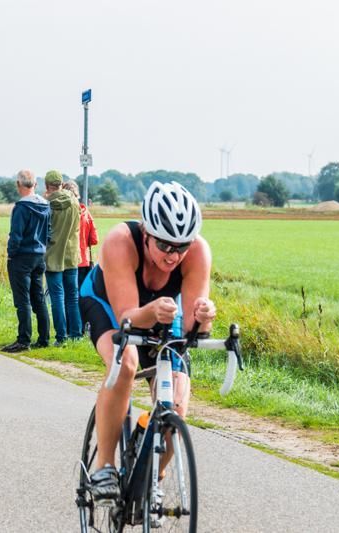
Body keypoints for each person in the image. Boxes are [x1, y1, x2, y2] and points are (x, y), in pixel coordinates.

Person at [79, 181, 217, 501]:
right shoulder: (120, 242)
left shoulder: (197, 252)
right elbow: (127, 318)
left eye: (181, 246)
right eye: (165, 245)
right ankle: (104, 467)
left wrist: (204, 315)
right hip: (108, 306)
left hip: (163, 312)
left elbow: (193, 329)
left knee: (177, 405)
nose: (174, 255)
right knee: (125, 363)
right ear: (146, 233)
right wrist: (151, 311)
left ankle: (154, 475)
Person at [1, 169, 50, 353]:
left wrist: (11, 253)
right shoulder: (45, 205)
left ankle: (23, 340)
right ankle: (44, 338)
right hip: (39, 255)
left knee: (22, 300)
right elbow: (49, 231)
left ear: (18, 185)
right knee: (39, 298)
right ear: (35, 185)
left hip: (22, 256)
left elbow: (16, 234)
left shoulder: (21, 207)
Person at [43, 170, 81, 345]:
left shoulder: (46, 204)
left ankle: (61, 337)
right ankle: (76, 334)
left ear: (47, 185)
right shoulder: (74, 201)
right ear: (61, 183)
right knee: (72, 296)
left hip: (53, 255)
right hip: (71, 254)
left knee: (57, 296)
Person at [62, 180, 98, 332]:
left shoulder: (65, 212)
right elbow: (94, 239)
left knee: (68, 297)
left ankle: (70, 328)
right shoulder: (86, 213)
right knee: (80, 298)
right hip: (84, 261)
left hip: (68, 261)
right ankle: (82, 328)